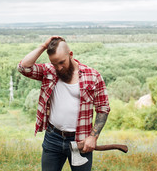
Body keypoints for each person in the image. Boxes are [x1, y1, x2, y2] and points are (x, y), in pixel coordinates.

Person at [17, 36, 110, 171]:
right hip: (53, 138)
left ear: (70, 55)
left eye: (62, 62)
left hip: (80, 141)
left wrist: (93, 137)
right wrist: (44, 46)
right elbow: (23, 67)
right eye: (54, 63)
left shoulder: (92, 76)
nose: (59, 68)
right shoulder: (49, 71)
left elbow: (103, 108)